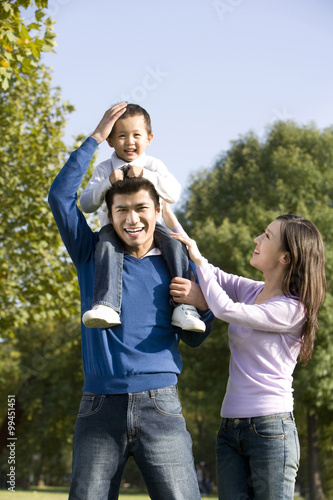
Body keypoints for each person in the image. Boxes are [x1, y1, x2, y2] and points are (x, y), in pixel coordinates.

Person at [48, 102, 215, 500]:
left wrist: (202, 307)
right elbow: (60, 196)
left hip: (162, 406)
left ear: (157, 210)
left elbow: (193, 338)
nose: (132, 219)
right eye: (121, 210)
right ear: (110, 213)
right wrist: (96, 137)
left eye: (141, 209)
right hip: (99, 407)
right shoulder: (92, 254)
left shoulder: (176, 263)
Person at [167, 210, 326, 500]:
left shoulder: (293, 309)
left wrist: (204, 293)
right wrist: (165, 211)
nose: (257, 239)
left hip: (270, 430)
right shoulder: (253, 291)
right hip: (229, 430)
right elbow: (211, 274)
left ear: (285, 257)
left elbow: (226, 309)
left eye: (267, 236)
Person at [79, 102, 205, 333]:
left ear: (149, 138)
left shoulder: (153, 165)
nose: (129, 142)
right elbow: (86, 203)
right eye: (121, 136)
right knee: (105, 246)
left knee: (175, 245)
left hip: (151, 232)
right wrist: (107, 182)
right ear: (109, 140)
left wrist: (148, 175)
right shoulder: (104, 168)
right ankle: (106, 305)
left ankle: (183, 307)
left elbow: (174, 193)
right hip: (113, 230)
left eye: (136, 135)